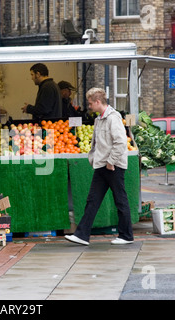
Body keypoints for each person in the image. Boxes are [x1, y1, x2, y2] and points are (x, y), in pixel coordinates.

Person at [65, 87, 134, 246]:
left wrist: (111, 162)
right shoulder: (99, 119)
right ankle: (82, 235)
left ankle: (126, 236)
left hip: (112, 166)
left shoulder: (113, 118)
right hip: (102, 165)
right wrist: (94, 159)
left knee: (120, 200)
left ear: (98, 102)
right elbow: (97, 143)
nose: (89, 107)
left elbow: (120, 142)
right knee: (93, 200)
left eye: (90, 103)